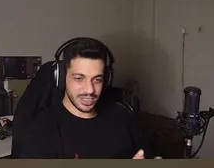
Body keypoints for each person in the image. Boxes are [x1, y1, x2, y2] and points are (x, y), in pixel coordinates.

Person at [21, 39, 154, 159]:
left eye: (97, 79)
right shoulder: (40, 131)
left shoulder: (123, 117)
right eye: (79, 78)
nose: (90, 90)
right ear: (61, 77)